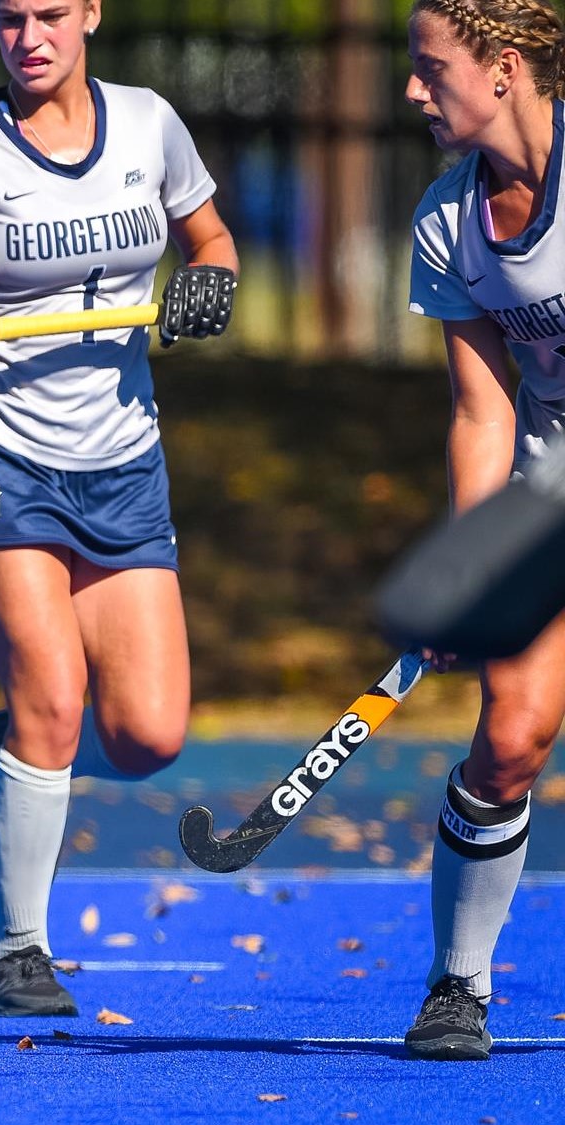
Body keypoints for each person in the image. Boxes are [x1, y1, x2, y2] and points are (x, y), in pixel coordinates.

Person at [0, 0, 238, 1018]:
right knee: (51, 685)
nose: (25, 36)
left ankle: (23, 748)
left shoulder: (149, 123)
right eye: (6, 19)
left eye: (45, 14)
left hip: (119, 457)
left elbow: (208, 242)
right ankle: (15, 953)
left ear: (88, 15)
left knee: (146, 736)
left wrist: (209, 281)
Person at [401, 0, 565, 1062]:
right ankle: (458, 983)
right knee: (509, 737)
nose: (410, 91)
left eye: (428, 68)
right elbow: (482, 409)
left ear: (500, 69)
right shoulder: (444, 219)